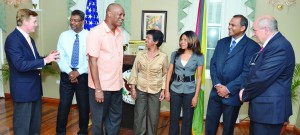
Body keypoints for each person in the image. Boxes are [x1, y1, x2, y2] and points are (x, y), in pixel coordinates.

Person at [4, 9, 59, 135]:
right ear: (24, 21)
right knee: (22, 127)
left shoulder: (30, 39)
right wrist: (44, 61)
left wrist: (48, 59)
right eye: (34, 21)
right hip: (23, 92)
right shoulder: (13, 40)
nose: (36, 24)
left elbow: (33, 60)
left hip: (34, 90)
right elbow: (20, 65)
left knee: (34, 126)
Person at [239, 15, 295, 135]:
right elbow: (254, 70)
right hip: (264, 111)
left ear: (266, 29)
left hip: (269, 112)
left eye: (255, 30)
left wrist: (245, 92)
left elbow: (262, 78)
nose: (253, 34)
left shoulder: (279, 46)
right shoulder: (272, 45)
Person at [205, 15, 260, 135]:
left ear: (242, 28)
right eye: (229, 24)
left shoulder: (252, 46)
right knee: (209, 125)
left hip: (233, 95)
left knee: (228, 129)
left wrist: (228, 89)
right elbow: (213, 64)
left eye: (233, 25)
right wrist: (218, 84)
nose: (229, 27)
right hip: (216, 92)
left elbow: (247, 73)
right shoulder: (221, 42)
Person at [86, 3, 125, 135]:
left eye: (124, 15)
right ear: (109, 14)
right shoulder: (96, 32)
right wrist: (98, 89)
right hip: (101, 87)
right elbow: (92, 61)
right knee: (98, 122)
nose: (122, 17)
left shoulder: (119, 33)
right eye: (120, 14)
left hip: (117, 86)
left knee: (115, 120)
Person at [128, 29, 168, 135]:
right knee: (139, 116)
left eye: (148, 38)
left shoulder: (163, 56)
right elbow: (134, 71)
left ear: (156, 41)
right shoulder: (140, 54)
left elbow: (165, 74)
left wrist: (163, 90)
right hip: (140, 89)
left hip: (156, 90)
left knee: (153, 118)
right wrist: (133, 88)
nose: (145, 40)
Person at [56, 10, 89, 135]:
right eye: (71, 20)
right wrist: (70, 72)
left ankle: (83, 132)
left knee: (84, 107)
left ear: (83, 22)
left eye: (76, 20)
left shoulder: (89, 36)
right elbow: (60, 56)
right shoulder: (63, 35)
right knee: (64, 106)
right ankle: (60, 132)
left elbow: (91, 58)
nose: (72, 23)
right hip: (66, 75)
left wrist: (78, 72)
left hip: (83, 76)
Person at [164, 31, 204, 135]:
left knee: (187, 119)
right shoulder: (175, 54)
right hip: (174, 89)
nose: (182, 42)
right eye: (181, 39)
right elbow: (169, 73)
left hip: (190, 90)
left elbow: (199, 78)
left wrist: (196, 96)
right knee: (174, 117)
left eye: (185, 40)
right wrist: (166, 91)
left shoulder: (199, 56)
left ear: (192, 40)